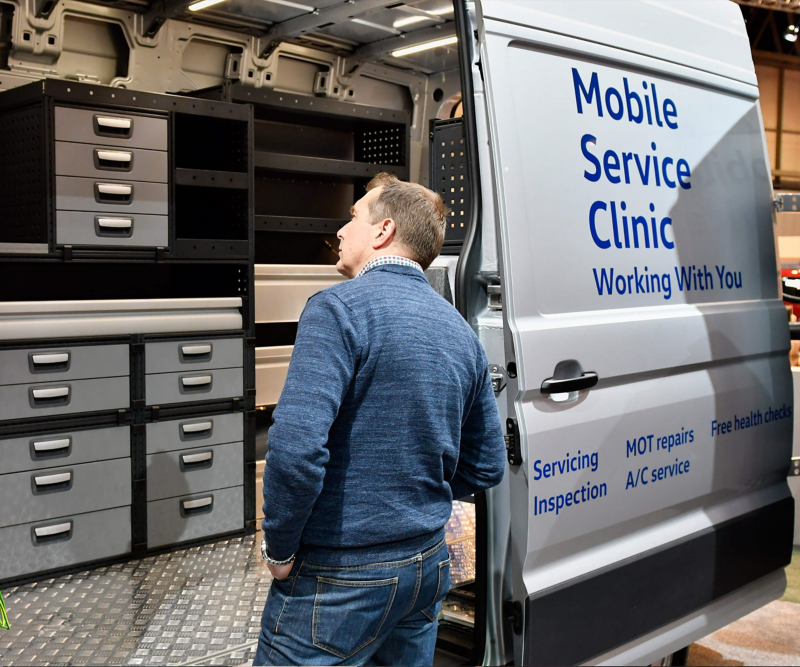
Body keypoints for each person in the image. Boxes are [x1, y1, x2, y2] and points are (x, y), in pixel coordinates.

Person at [254, 173, 506, 666]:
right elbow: (486, 467)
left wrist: (279, 550)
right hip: (427, 568)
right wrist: (410, 492)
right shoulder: (459, 330)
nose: (342, 231)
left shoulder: (336, 310)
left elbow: (296, 449)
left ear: (383, 230)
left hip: (340, 575)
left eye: (353, 218)